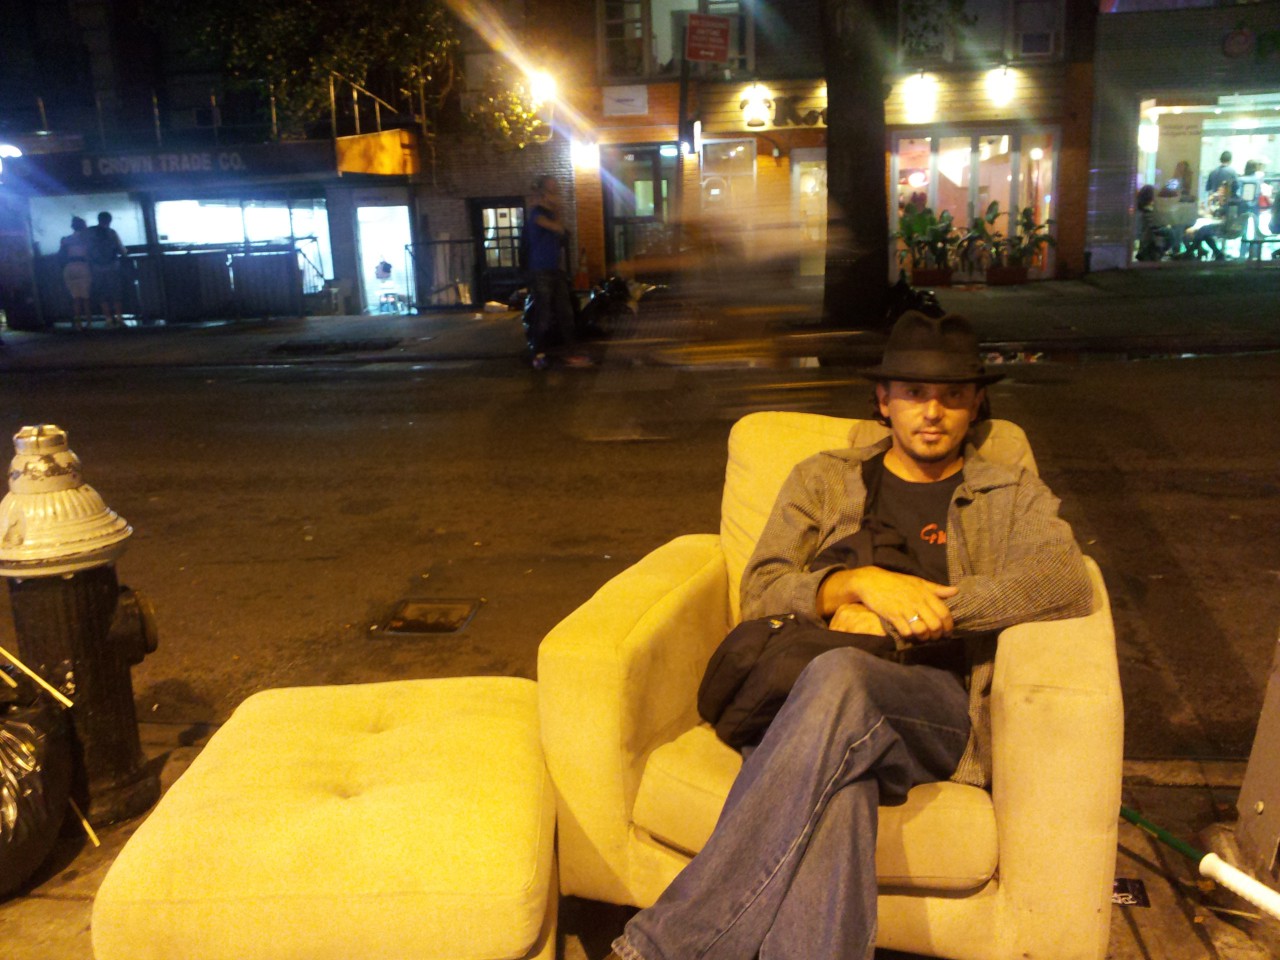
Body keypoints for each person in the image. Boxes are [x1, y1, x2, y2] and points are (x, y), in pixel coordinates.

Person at [608, 311, 1094, 960]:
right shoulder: (823, 478)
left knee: (842, 677)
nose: (933, 412)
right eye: (915, 393)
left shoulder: (1008, 492)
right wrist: (853, 584)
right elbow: (761, 590)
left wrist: (914, 613)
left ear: (976, 403)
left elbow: (1062, 580)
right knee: (840, 792)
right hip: (803, 702)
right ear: (884, 399)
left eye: (952, 395)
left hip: (932, 708)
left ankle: (661, 949)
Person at [523, 175, 588, 369]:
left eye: (555, 188)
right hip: (540, 271)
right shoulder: (536, 214)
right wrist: (555, 209)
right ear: (543, 191)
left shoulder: (549, 213)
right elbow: (556, 227)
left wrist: (556, 209)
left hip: (554, 269)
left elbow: (560, 229)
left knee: (565, 312)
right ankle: (537, 354)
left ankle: (571, 352)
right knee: (544, 314)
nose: (555, 192)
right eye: (551, 189)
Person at [86, 211, 126, 328]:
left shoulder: (90, 233)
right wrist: (125, 252)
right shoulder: (112, 233)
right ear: (109, 221)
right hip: (112, 266)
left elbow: (86, 250)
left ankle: (108, 318)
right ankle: (119, 318)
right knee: (116, 292)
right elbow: (121, 250)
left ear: (98, 220)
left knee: (101, 293)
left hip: (96, 267)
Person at [58, 216, 92, 331]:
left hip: (69, 267)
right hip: (83, 266)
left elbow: (61, 254)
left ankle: (78, 324)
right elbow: (90, 254)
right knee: (86, 297)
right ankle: (88, 322)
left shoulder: (66, 239)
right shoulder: (86, 239)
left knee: (76, 298)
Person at [1135, 184, 1174, 261]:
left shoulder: (1140, 211)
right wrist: (1168, 229)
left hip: (1146, 251)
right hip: (1150, 253)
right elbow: (1158, 230)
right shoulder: (1148, 214)